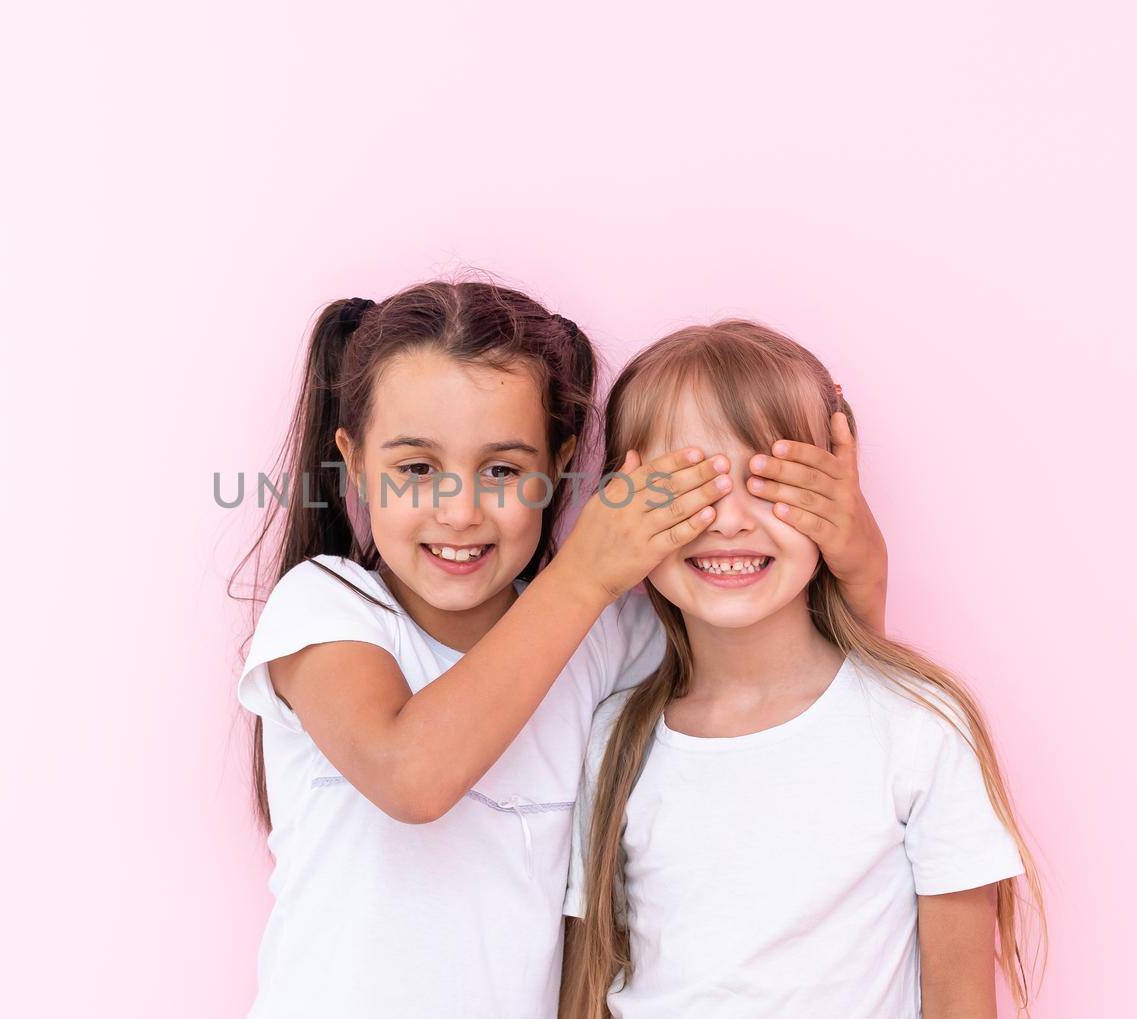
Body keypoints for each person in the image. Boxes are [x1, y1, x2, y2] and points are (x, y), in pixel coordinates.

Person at [232, 284, 889, 1018]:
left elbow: (800, 688)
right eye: (416, 468)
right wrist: (584, 572)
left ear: (561, 467)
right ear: (353, 463)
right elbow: (410, 774)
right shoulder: (326, 607)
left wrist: (861, 559)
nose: (460, 509)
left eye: (504, 470)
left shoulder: (605, 641)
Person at [561, 320, 1045, 1019]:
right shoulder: (613, 739)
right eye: (690, 486)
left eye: (766, 480)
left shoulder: (921, 726)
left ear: (834, 494)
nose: (727, 521)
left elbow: (961, 1002)